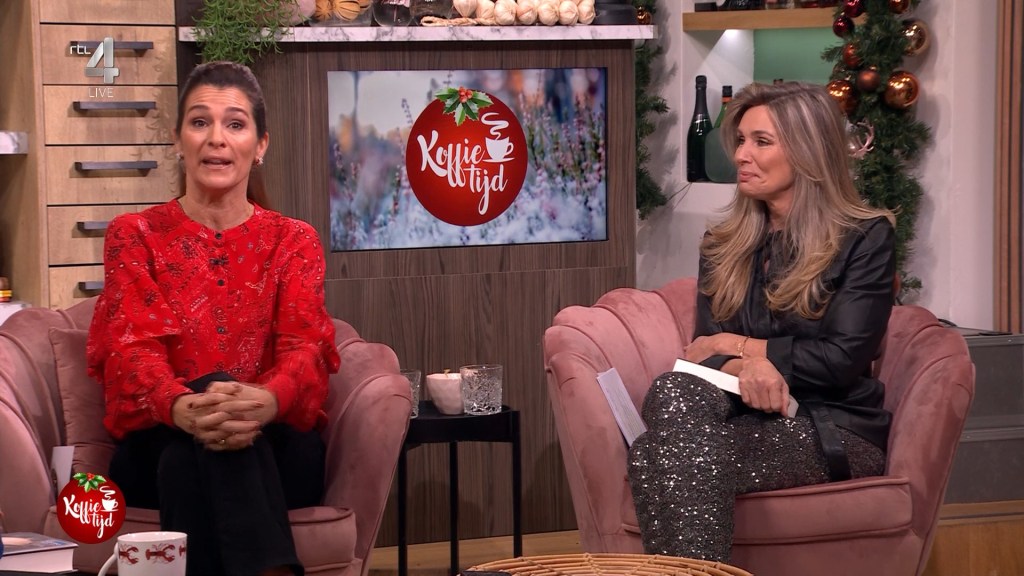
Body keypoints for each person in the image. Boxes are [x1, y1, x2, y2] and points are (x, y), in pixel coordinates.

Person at [86, 61, 340, 576]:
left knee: (191, 461)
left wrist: (265, 402)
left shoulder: (294, 241)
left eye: (235, 124)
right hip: (159, 437)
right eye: (200, 122)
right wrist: (181, 407)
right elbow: (133, 353)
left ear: (260, 144)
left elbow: (305, 352)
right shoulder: (134, 235)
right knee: (185, 451)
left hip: (274, 442)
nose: (216, 139)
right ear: (178, 140)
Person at [627, 81, 897, 563]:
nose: (741, 156)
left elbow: (841, 360)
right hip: (743, 415)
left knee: (655, 455)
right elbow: (703, 353)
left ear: (808, 151)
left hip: (831, 424)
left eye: (761, 142)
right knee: (673, 391)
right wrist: (747, 365)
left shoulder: (864, 237)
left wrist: (741, 347)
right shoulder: (722, 243)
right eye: (741, 141)